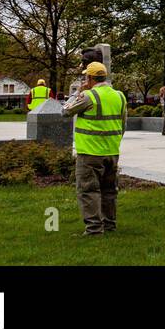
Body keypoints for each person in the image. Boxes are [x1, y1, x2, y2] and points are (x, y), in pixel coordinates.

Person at [63, 61, 127, 236]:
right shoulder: (119, 96)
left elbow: (66, 110)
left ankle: (93, 230)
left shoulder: (89, 96)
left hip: (90, 153)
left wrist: (78, 92)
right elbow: (123, 123)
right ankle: (109, 225)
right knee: (109, 190)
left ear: (89, 78)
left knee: (89, 190)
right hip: (112, 152)